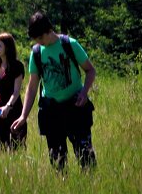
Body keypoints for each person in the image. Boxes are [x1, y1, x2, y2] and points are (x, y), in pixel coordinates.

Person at [11, 12, 96, 171]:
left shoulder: (69, 44)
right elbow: (32, 86)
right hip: (51, 111)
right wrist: (23, 115)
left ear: (50, 30)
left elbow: (90, 71)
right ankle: (62, 188)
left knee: (86, 156)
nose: (39, 43)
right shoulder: (36, 53)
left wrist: (84, 92)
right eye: (36, 40)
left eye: (41, 38)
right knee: (57, 159)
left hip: (75, 107)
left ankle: (91, 186)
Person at [0, 32, 26, 151]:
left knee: (15, 145)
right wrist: (1, 107)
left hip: (13, 107)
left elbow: (16, 91)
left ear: (7, 47)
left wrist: (8, 106)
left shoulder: (17, 66)